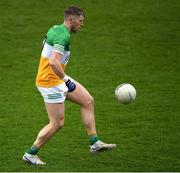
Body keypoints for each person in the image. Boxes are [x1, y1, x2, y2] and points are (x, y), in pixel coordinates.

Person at [22, 6, 116, 165]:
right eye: (80, 21)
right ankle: (30, 155)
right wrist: (66, 80)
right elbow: (53, 62)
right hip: (50, 82)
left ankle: (94, 142)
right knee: (57, 123)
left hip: (56, 78)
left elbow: (43, 44)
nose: (82, 24)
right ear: (71, 20)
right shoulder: (62, 37)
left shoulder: (55, 29)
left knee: (88, 101)